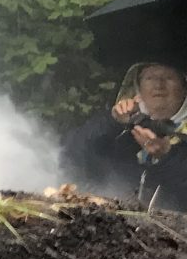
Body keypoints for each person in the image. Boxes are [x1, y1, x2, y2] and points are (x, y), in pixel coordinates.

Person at [61, 60, 187, 211]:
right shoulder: (122, 125)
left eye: (168, 78)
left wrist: (168, 155)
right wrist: (112, 121)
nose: (158, 85)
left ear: (184, 86)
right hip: (115, 225)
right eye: (150, 78)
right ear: (138, 88)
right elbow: (71, 158)